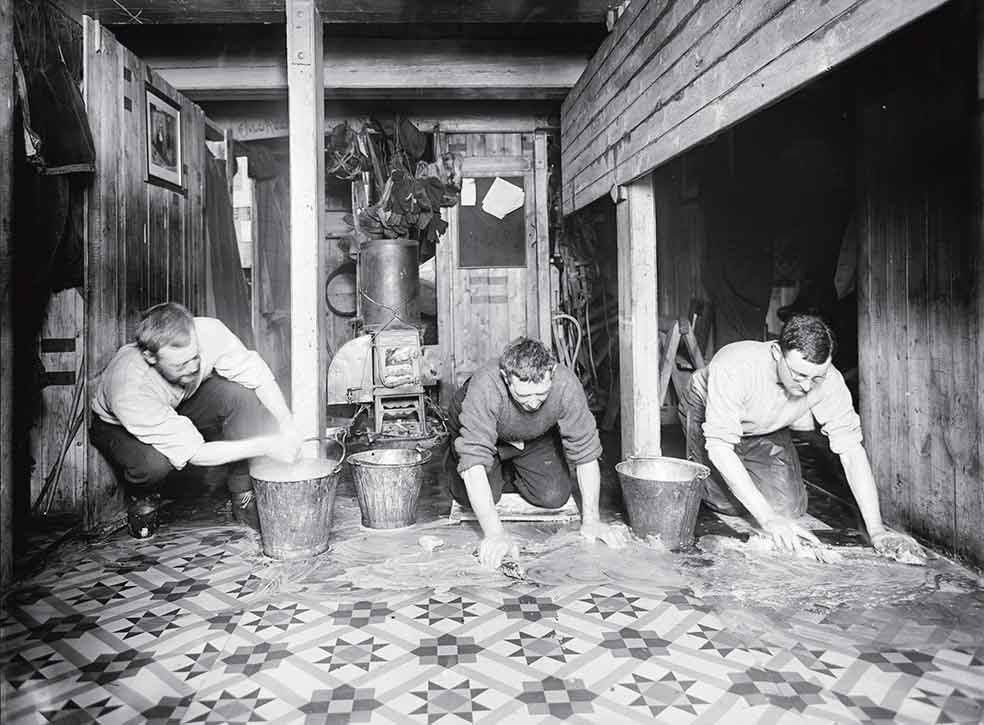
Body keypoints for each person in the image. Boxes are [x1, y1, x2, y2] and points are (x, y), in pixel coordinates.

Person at [682, 313, 923, 560]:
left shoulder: (830, 381)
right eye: (799, 375)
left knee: (788, 509)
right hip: (706, 409)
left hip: (765, 424)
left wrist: (877, 530)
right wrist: (767, 518)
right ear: (777, 352)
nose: (808, 387)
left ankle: (748, 466)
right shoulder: (734, 366)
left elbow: (852, 451)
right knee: (730, 504)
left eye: (816, 377)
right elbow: (720, 447)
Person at [90, 302, 302, 537]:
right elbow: (195, 453)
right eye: (181, 364)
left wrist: (286, 421)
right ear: (150, 356)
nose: (193, 368)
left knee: (240, 395)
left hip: (181, 402)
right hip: (118, 427)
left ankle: (242, 494)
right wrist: (268, 444)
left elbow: (258, 377)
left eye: (195, 357)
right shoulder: (130, 389)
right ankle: (143, 496)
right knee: (154, 463)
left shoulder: (209, 332)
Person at [447, 337, 627, 570]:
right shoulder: (485, 385)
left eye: (540, 395)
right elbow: (473, 463)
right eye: (524, 396)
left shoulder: (565, 385)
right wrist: (495, 535)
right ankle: (480, 464)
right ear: (506, 378)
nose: (532, 404)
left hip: (531, 434)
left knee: (554, 496)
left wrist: (592, 521)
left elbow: (586, 452)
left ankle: (510, 466)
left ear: (551, 372)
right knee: (473, 496)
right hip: (479, 430)